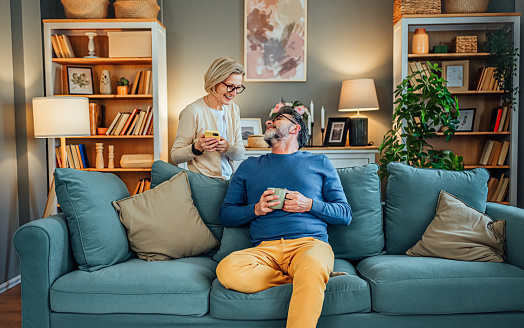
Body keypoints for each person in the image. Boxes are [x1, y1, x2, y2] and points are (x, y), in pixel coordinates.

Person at [217, 106, 352, 328]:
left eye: (278, 118)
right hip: (264, 250)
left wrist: (308, 204)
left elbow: (345, 214)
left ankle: (312, 274)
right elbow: (226, 215)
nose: (269, 122)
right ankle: (309, 278)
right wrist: (256, 209)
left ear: (295, 128)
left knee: (311, 265)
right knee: (227, 270)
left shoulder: (319, 162)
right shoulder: (249, 166)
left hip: (309, 244)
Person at [171, 57, 246, 179]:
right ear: (215, 82)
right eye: (230, 86)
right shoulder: (193, 111)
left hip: (229, 180)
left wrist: (227, 148)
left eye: (238, 88)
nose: (234, 93)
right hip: (202, 182)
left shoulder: (234, 109)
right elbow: (175, 156)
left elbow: (239, 154)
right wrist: (197, 147)